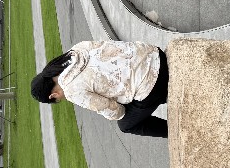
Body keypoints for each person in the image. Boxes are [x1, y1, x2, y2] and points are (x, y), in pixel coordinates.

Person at [30, 40, 168, 138]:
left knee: (126, 125)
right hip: (154, 54)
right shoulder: (77, 50)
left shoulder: (71, 91)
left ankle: (175, 131)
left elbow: (114, 111)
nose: (62, 98)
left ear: (53, 95)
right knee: (130, 97)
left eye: (58, 99)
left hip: (152, 82)